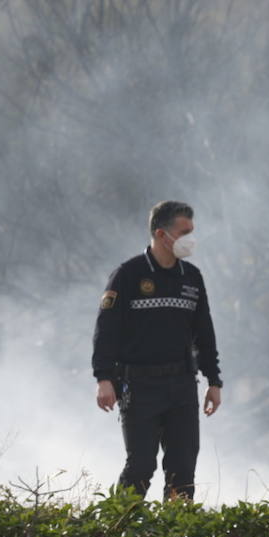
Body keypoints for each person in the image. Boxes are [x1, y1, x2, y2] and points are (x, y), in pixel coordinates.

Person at [92, 200, 222, 499]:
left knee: (183, 469)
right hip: (139, 386)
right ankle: (118, 531)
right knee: (140, 466)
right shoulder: (128, 274)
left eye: (193, 230)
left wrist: (214, 380)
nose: (191, 238)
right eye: (185, 231)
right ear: (162, 235)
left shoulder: (192, 277)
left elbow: (204, 333)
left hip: (182, 385)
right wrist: (104, 379)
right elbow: (105, 331)